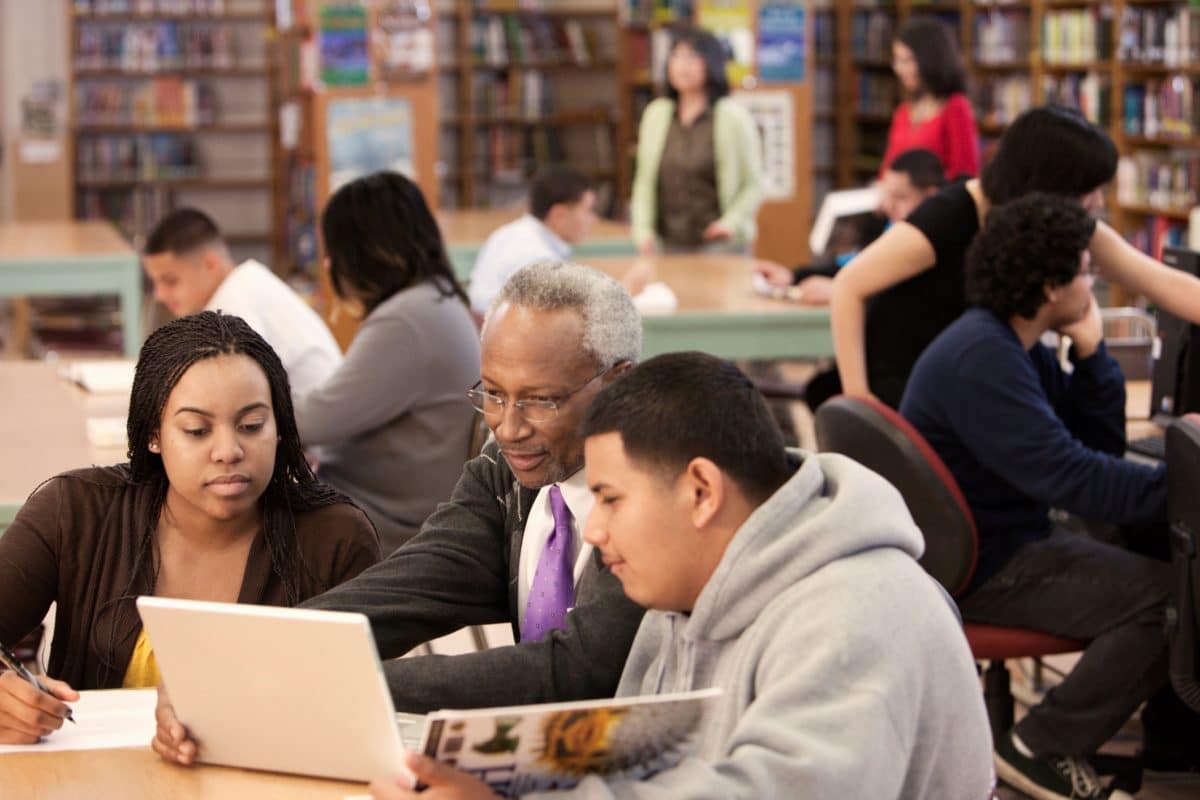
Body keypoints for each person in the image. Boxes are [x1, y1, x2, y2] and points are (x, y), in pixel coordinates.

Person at [369, 352, 996, 799]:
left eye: (610, 499)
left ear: (701, 491)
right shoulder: (680, 599)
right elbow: (636, 766)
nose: (593, 530)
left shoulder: (859, 616)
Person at [152, 261, 648, 765]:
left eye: (541, 401)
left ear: (618, 383)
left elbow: (578, 672)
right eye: (494, 394)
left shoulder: (652, 498)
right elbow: (410, 586)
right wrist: (242, 658)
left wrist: (331, 681)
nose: (508, 427)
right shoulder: (507, 472)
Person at [900, 195, 1174, 800]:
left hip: (994, 536)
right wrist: (1184, 482)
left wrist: (1093, 353)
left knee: (1151, 547)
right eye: (1085, 272)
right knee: (1169, 600)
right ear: (1051, 286)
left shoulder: (1008, 342)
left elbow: (1094, 446)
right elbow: (1076, 479)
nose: (1092, 284)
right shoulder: (984, 359)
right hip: (985, 564)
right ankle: (1039, 746)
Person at [0, 312, 380, 745]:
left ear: (280, 428)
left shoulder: (335, 538)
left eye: (252, 426)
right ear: (154, 435)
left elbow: (370, 706)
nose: (228, 451)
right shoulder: (75, 511)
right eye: (197, 430)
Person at [831, 104, 1200, 408]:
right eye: (1090, 190)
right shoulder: (948, 216)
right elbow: (849, 286)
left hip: (972, 385)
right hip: (904, 387)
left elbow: (1162, 282)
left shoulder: (1054, 219)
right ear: (1052, 184)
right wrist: (859, 399)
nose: (1098, 202)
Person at [292, 171, 481, 553]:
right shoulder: (434, 299)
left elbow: (311, 421)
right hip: (393, 508)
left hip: (384, 523)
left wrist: (249, 399)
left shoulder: (406, 320)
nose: (328, 265)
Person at [142, 208, 342, 398]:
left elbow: (232, 396)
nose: (159, 295)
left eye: (170, 281)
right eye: (155, 283)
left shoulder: (234, 307)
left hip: (313, 418)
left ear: (210, 265)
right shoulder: (246, 282)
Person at [630, 26, 763, 256]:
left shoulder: (733, 117)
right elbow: (644, 180)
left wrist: (730, 222)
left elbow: (754, 184)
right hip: (668, 244)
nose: (682, 65)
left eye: (692, 57)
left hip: (721, 244)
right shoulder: (656, 114)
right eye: (676, 56)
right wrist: (642, 230)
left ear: (711, 63)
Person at [754, 148, 946, 306]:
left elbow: (904, 296)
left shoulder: (936, 243)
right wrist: (792, 277)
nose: (889, 205)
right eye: (887, 195)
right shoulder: (886, 226)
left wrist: (840, 291)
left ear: (930, 197)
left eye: (900, 197)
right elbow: (852, 266)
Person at [467, 166, 597, 315]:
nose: (594, 219)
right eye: (588, 210)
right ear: (559, 215)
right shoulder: (539, 259)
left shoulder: (508, 232)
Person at [881, 16, 979, 179]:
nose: (898, 68)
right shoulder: (902, 112)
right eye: (897, 60)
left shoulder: (956, 107)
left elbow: (964, 175)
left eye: (907, 60)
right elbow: (886, 172)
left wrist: (919, 189)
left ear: (930, 60)